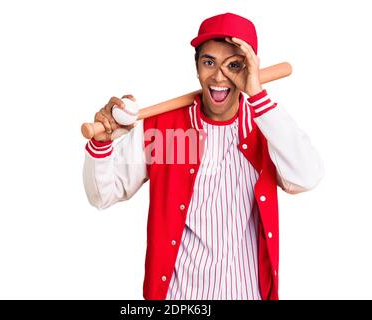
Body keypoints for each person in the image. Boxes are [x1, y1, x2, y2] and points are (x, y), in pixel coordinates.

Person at [82, 12, 324, 300]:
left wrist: (258, 95)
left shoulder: (267, 129)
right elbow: (102, 195)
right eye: (209, 62)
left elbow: (307, 177)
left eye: (233, 65)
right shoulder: (163, 129)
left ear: (250, 70)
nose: (219, 76)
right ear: (196, 67)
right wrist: (101, 143)